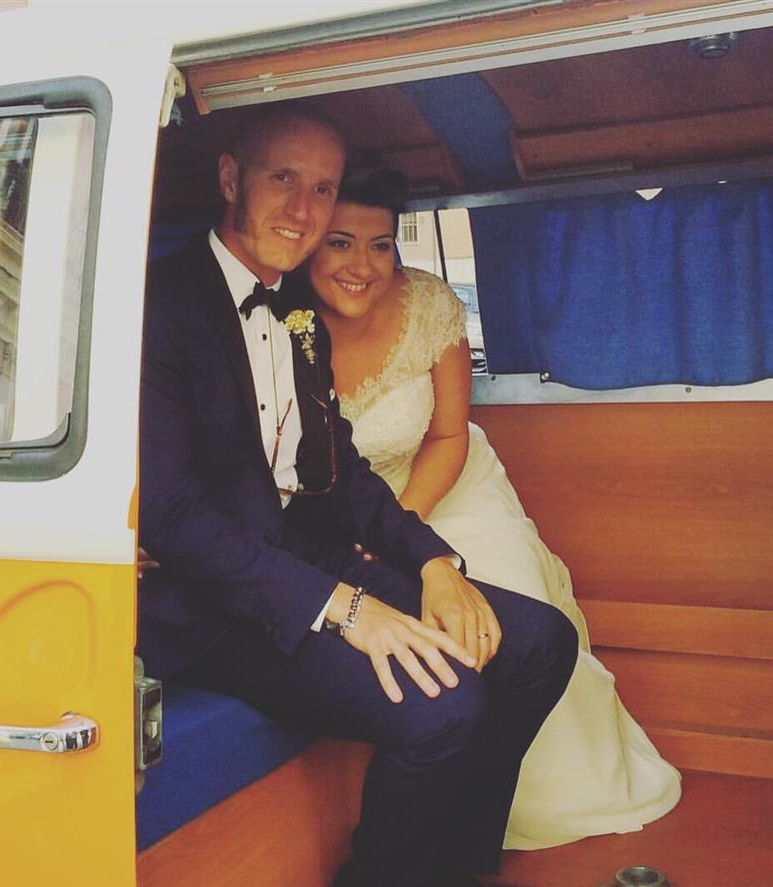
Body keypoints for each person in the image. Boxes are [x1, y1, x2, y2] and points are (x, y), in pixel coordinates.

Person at [138, 103, 578, 887]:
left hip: (296, 555)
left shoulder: (297, 311)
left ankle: (453, 868)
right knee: (444, 705)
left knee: (541, 643)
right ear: (231, 179)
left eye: (321, 188)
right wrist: (343, 605)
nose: (302, 209)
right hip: (205, 602)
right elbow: (173, 519)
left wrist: (435, 563)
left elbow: (340, 467)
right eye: (282, 179)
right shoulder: (156, 306)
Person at [306, 160, 682, 851]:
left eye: (380, 244)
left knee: (509, 601)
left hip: (439, 481)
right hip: (344, 508)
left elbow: (448, 436)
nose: (362, 265)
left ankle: (507, 806)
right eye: (339, 242)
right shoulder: (283, 324)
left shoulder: (429, 307)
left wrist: (401, 530)